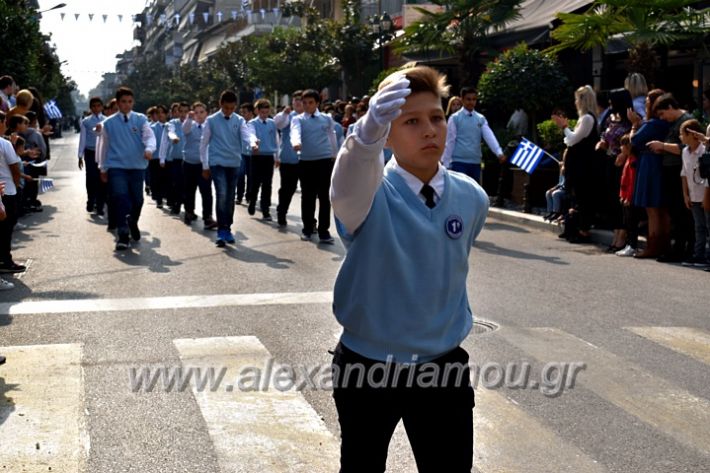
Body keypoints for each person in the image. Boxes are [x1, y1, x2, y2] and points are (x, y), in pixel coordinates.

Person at [330, 64, 486, 472]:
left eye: (436, 117)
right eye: (411, 121)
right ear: (388, 132)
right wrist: (366, 136)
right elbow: (346, 186)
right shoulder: (368, 196)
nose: (429, 130)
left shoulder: (471, 197)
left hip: (442, 366)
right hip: (369, 367)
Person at [96, 86, 156, 251]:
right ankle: (122, 235)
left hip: (137, 167)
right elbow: (103, 146)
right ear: (118, 102)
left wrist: (149, 149)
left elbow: (149, 136)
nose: (127, 105)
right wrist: (102, 168)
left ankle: (132, 222)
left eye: (130, 101)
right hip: (117, 167)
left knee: (138, 200)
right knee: (120, 198)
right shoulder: (108, 123)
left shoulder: (140, 119)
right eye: (123, 102)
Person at [200, 90, 258, 248]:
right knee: (222, 194)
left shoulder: (239, 120)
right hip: (217, 162)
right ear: (220, 104)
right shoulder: (211, 120)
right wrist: (205, 165)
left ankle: (227, 227)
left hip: (233, 163)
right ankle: (221, 231)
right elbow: (204, 143)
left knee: (230, 197)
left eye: (232, 108)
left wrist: (252, 143)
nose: (229, 111)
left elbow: (247, 135)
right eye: (226, 108)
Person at [647, 93, 694, 263]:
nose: (662, 118)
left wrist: (663, 146)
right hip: (671, 170)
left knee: (682, 212)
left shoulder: (686, 121)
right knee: (675, 211)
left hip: (679, 171)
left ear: (670, 107)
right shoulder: (675, 122)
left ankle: (684, 249)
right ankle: (679, 248)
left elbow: (689, 147)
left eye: (662, 113)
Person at [290, 88, 338, 243]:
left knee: (324, 197)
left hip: (324, 160)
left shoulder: (326, 118)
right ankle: (308, 228)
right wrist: (296, 143)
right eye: (304, 103)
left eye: (310, 102)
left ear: (317, 103)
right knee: (308, 196)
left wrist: (335, 155)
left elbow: (332, 136)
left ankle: (324, 231)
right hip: (306, 161)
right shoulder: (298, 119)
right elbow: (295, 132)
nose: (307, 105)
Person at [552, 85, 598, 244]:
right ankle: (573, 227)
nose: (575, 102)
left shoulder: (587, 118)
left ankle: (583, 230)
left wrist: (564, 126)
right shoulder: (584, 118)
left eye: (577, 99)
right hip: (578, 166)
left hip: (583, 167)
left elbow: (572, 140)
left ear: (583, 100)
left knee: (583, 198)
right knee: (576, 197)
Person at [629, 88, 669, 258]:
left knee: (651, 208)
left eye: (647, 101)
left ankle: (653, 245)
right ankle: (663, 245)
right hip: (661, 164)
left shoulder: (652, 124)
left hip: (649, 165)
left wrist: (634, 125)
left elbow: (635, 141)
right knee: (662, 209)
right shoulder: (666, 122)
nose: (645, 103)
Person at [441, 86, 504, 183]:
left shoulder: (480, 118)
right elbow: (450, 141)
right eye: (468, 99)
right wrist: (445, 164)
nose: (471, 102)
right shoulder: (454, 118)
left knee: (475, 194)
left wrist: (499, 152)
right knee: (461, 193)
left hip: (475, 162)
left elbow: (489, 136)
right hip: (459, 162)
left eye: (474, 99)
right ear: (462, 99)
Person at [181, 102, 217, 229]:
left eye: (202, 112)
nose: (199, 115)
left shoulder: (210, 126)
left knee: (206, 191)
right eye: (196, 112)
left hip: (204, 165)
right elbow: (184, 130)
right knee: (189, 190)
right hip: (189, 163)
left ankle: (208, 217)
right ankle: (189, 212)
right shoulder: (189, 125)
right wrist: (189, 118)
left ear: (206, 114)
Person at [679, 119, 709, 267]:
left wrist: (706, 197)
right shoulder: (685, 151)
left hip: (706, 195)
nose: (681, 137)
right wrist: (685, 194)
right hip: (693, 195)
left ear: (691, 135)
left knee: (708, 226)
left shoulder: (704, 150)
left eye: (682, 134)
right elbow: (684, 174)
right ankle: (699, 256)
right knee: (699, 227)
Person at [0, 110, 24, 273]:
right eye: (4, 122)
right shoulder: (4, 144)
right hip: (7, 191)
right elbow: (14, 168)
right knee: (7, 227)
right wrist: (16, 185)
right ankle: (6, 260)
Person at [274, 91, 303, 227]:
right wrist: (284, 113)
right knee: (288, 188)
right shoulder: (288, 117)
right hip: (288, 158)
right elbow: (278, 124)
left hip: (307, 159)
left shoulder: (312, 117)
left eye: (301, 99)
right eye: (295, 99)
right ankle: (282, 211)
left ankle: (310, 222)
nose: (298, 102)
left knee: (309, 191)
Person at [248, 99, 278, 220]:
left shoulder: (272, 123)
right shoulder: (252, 123)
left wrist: (277, 156)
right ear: (258, 111)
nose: (264, 115)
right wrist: (254, 142)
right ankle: (252, 201)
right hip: (256, 156)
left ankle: (265, 209)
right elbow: (251, 134)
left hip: (268, 157)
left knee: (267, 184)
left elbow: (276, 139)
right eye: (262, 112)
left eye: (267, 112)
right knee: (255, 182)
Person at [78, 97, 106, 215]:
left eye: (98, 105)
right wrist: (80, 155)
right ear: (90, 107)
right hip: (90, 152)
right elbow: (82, 138)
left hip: (103, 152)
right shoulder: (86, 121)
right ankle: (91, 200)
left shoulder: (107, 120)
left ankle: (100, 205)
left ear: (102, 107)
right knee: (91, 177)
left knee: (101, 178)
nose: (96, 108)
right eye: (93, 106)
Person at [160, 101, 189, 216]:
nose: (183, 114)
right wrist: (162, 158)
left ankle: (188, 209)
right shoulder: (171, 123)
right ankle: (176, 205)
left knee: (188, 185)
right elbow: (165, 140)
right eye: (180, 111)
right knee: (177, 183)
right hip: (175, 159)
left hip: (189, 160)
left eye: (186, 112)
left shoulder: (193, 124)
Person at [616, 134, 640, 257]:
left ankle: (633, 245)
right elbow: (623, 180)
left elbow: (632, 182)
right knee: (627, 221)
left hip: (630, 198)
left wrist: (628, 197)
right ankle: (629, 244)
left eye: (623, 145)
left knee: (632, 223)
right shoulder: (628, 159)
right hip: (625, 197)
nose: (621, 148)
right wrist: (622, 195)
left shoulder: (633, 161)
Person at [237, 102, 255, 206]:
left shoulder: (255, 123)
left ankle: (249, 196)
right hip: (241, 153)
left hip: (252, 154)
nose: (243, 114)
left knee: (251, 175)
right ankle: (239, 196)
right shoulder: (239, 123)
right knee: (240, 175)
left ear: (251, 113)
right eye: (241, 112)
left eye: (245, 112)